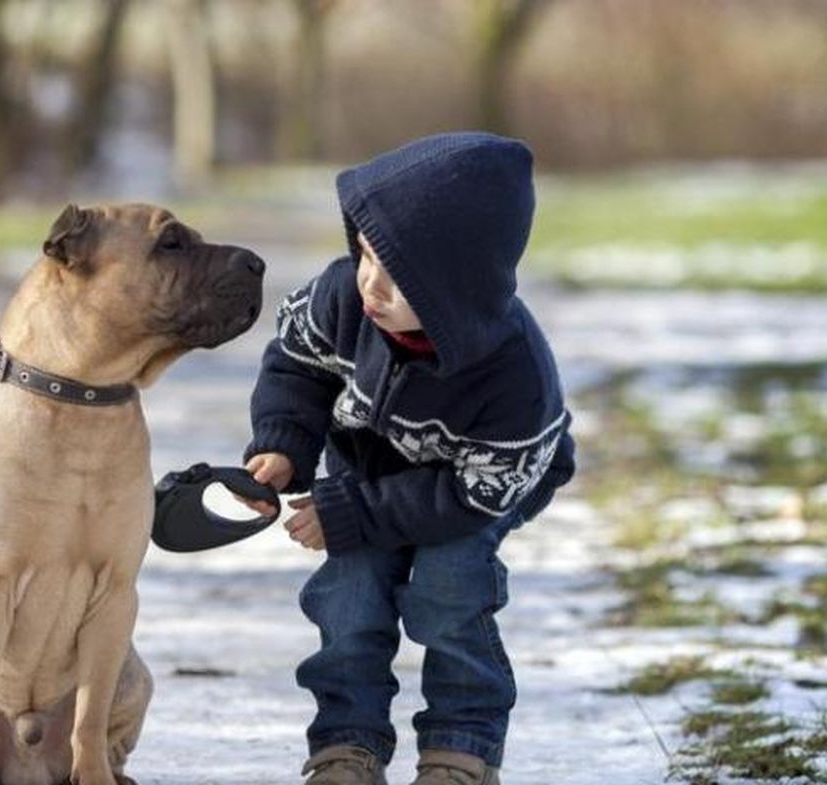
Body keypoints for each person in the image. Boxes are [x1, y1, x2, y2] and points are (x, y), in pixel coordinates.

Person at [241, 132, 576, 785]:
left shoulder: (516, 376)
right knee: (349, 589)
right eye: (366, 254)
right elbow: (296, 367)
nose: (371, 282)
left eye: (398, 275)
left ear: (459, 288)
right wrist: (283, 442)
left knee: (451, 584)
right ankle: (346, 743)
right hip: (370, 466)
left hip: (481, 483)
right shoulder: (341, 299)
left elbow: (475, 495)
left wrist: (352, 512)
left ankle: (461, 744)